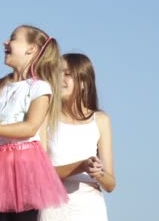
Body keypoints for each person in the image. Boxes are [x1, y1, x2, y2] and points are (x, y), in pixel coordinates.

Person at [0, 25, 69, 221]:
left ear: (31, 49)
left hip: (24, 167)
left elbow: (30, 127)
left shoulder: (39, 87)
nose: (5, 42)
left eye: (13, 38)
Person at [38, 53, 116, 221]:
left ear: (83, 82)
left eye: (67, 73)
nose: (59, 78)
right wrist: (81, 165)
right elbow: (41, 173)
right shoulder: (45, 117)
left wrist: (97, 172)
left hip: (90, 207)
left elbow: (110, 184)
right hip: (53, 207)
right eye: (57, 72)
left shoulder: (100, 119)